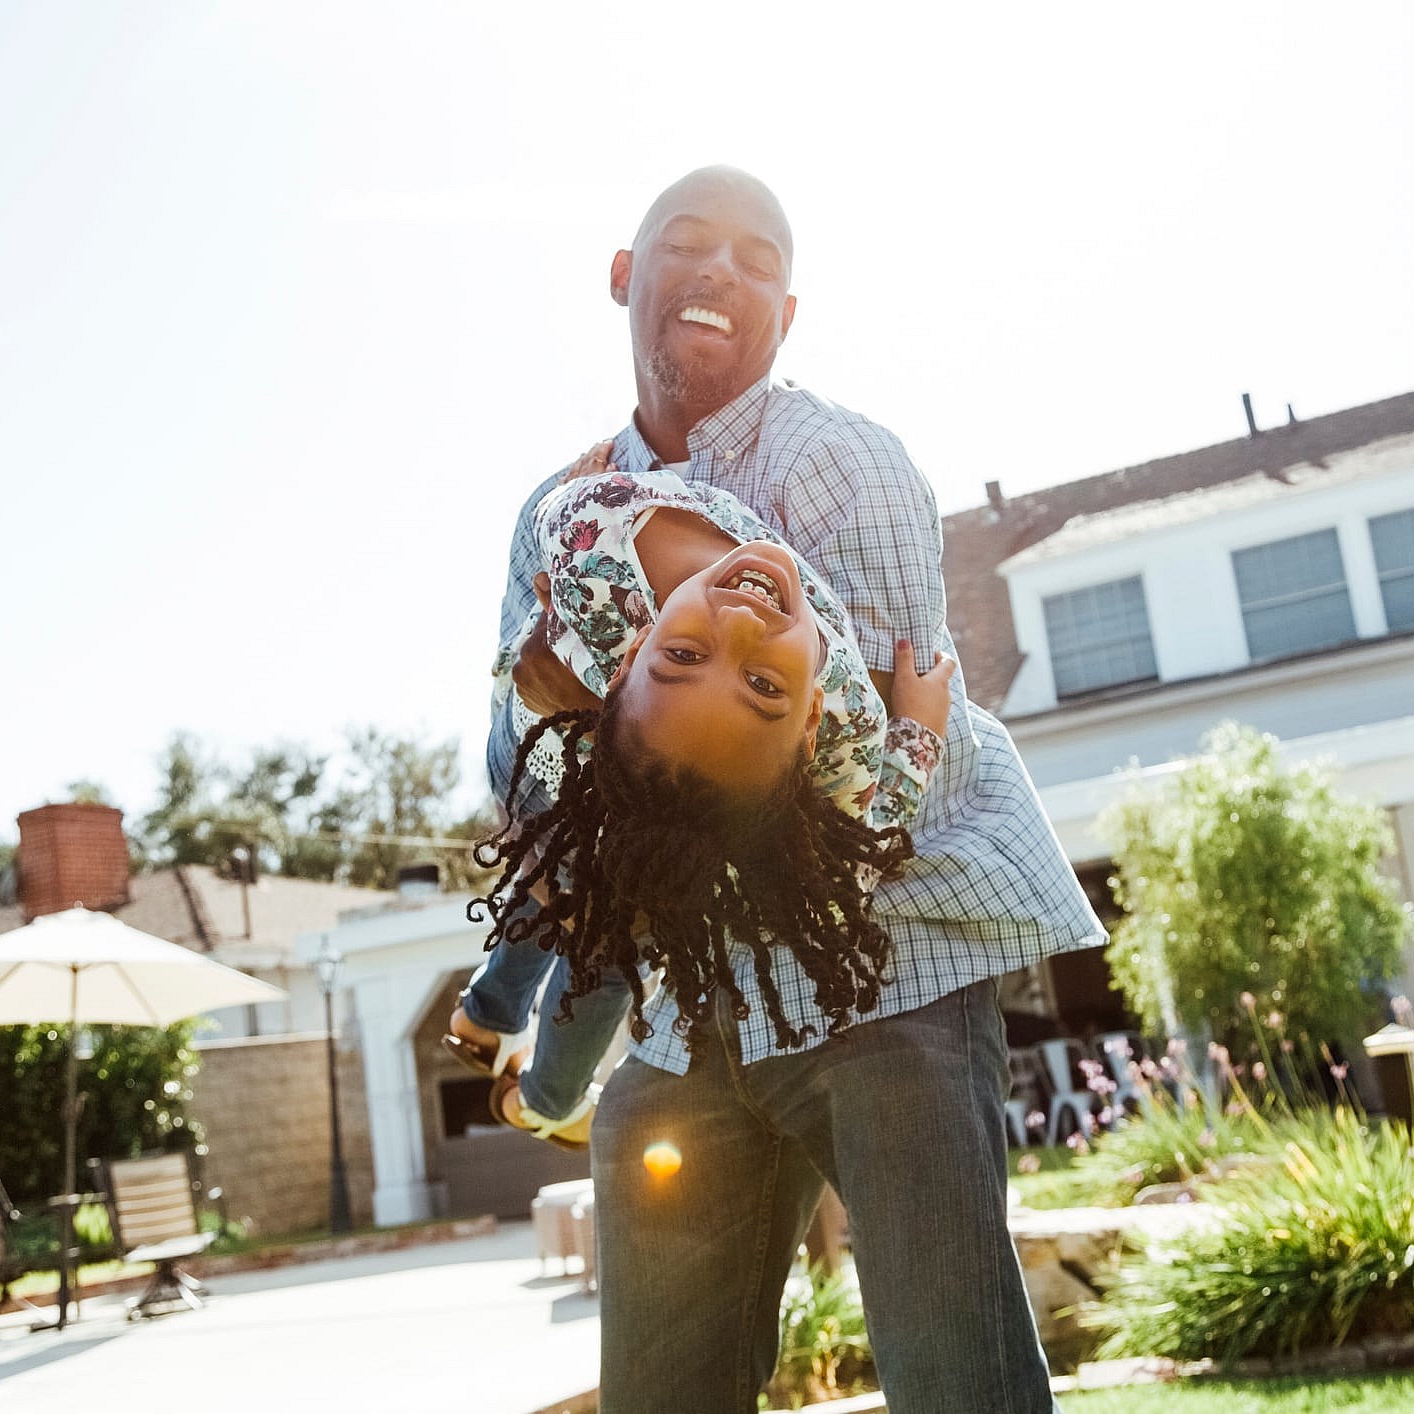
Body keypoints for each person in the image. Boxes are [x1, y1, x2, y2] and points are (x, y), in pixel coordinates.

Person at [488, 166, 1105, 1413]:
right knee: (664, 1391)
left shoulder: (846, 470)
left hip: (888, 977)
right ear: (625, 275)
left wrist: (600, 718)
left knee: (959, 1382)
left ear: (788, 309)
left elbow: (871, 798)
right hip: (685, 1009)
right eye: (687, 242)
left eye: (758, 258)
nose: (721, 271)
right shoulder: (562, 512)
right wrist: (570, 727)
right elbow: (521, 773)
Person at [446, 445, 953, 1147]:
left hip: (594, 754)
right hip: (561, 760)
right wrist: (919, 733)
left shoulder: (591, 532)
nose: (744, 620)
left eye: (686, 656)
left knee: (587, 905)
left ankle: (505, 1044)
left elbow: (846, 878)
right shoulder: (848, 725)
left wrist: (579, 514)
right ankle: (537, 1084)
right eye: (762, 686)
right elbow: (851, 876)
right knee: (588, 914)